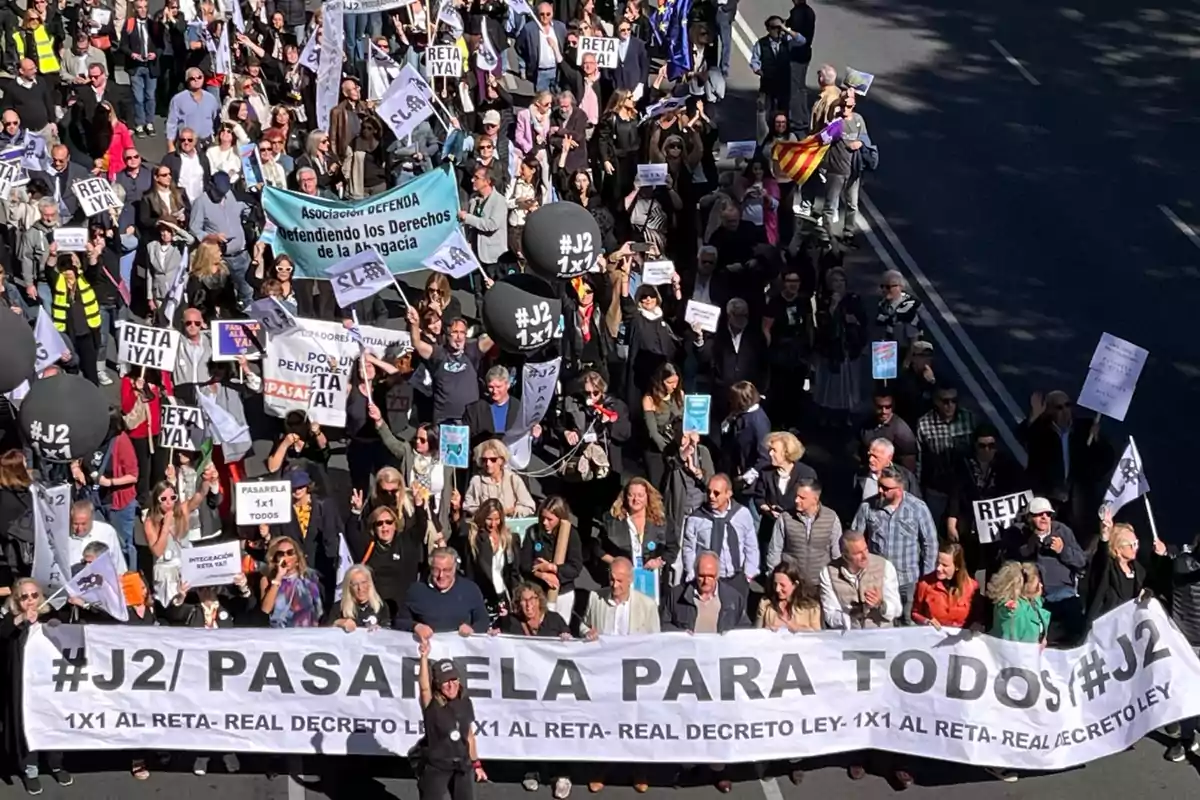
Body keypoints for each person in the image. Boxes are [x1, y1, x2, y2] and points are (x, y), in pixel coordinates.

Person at [1, 578, 72, 795]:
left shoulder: (50, 616)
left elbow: (70, 634)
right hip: (22, 687)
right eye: (24, 597)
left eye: (34, 595)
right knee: (25, 726)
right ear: (16, 600)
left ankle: (56, 764)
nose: (30, 600)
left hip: (49, 684)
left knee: (51, 722)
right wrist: (20, 619)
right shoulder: (11, 620)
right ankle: (30, 770)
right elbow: (2, 633)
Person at [982, 561, 1049, 783]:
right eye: (1036, 581)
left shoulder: (1030, 603)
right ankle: (997, 762)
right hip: (1012, 673)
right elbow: (1007, 638)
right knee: (1007, 717)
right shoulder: (1010, 611)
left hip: (1029, 669)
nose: (1040, 584)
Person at [851, 465, 937, 623]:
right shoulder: (867, 507)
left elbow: (930, 544)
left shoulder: (917, 508)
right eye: (879, 486)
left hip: (908, 579)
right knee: (880, 622)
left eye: (886, 488)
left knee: (908, 622)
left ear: (899, 489)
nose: (881, 491)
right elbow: (855, 537)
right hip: (878, 577)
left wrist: (927, 578)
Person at [999, 497, 1086, 645]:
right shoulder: (1020, 533)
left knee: (1073, 627)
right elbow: (1014, 559)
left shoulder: (1062, 531)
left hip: (1062, 591)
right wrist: (1032, 543)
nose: (1045, 517)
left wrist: (1062, 550)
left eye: (1048, 514)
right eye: (1039, 514)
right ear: (1029, 517)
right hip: (1032, 597)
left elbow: (1081, 561)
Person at [416, 639, 487, 800]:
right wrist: (423, 657)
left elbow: (469, 736)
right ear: (438, 684)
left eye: (454, 679)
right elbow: (424, 687)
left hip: (462, 765)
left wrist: (476, 765)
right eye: (445, 681)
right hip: (437, 766)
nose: (451, 685)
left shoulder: (465, 702)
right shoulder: (432, 705)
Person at [345, 489, 429, 614]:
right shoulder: (369, 546)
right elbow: (352, 534)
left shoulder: (406, 542)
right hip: (376, 608)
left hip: (403, 608)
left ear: (395, 525)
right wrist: (356, 511)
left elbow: (421, 527)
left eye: (389, 522)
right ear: (374, 528)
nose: (385, 526)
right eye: (379, 523)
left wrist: (418, 505)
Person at [680, 474, 758, 602]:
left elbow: (751, 545)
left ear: (728, 494)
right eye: (709, 492)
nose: (711, 496)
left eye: (716, 493)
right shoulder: (696, 518)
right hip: (709, 580)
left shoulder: (742, 514)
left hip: (736, 577)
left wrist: (749, 574)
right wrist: (692, 574)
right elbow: (689, 549)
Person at [1086, 518, 1167, 625]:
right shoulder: (1107, 568)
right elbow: (1101, 561)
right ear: (1118, 549)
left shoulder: (1137, 569)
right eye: (1131, 545)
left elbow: (1153, 583)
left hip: (1131, 628)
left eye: (1136, 543)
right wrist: (1104, 537)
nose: (1136, 548)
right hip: (1106, 629)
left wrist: (1159, 557)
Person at [764, 477, 842, 587]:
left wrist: (836, 581)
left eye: (802, 498)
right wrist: (774, 578)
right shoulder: (786, 518)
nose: (796, 500)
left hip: (820, 583)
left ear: (815, 499)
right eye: (796, 496)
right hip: (792, 583)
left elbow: (837, 553)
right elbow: (775, 551)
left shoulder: (831, 518)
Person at [396, 547, 489, 637]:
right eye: (436, 570)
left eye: (447, 570)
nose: (441, 575)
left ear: (455, 568)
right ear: (430, 568)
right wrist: (416, 626)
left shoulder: (470, 589)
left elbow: (483, 620)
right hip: (427, 649)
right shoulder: (416, 590)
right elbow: (399, 621)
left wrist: (472, 629)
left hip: (460, 649)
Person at [518, 497, 583, 623]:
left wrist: (553, 568)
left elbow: (575, 567)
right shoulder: (533, 532)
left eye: (550, 519)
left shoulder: (571, 534)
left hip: (563, 593)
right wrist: (542, 575)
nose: (545, 523)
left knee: (559, 629)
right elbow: (524, 564)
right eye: (543, 518)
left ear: (560, 518)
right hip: (538, 593)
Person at [910, 542, 983, 630]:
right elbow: (915, 613)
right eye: (938, 563)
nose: (938, 568)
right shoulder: (925, 583)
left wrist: (976, 624)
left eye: (945, 565)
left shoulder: (972, 587)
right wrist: (926, 621)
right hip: (934, 637)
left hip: (960, 638)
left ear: (957, 566)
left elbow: (979, 615)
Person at [259, 535, 324, 628]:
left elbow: (318, 611)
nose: (286, 556)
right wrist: (278, 577)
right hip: (279, 634)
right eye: (281, 554)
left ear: (297, 557)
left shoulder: (309, 579)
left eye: (290, 552)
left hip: (306, 633)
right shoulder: (267, 580)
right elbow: (266, 609)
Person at [462, 440, 536, 518]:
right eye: (484, 460)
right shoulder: (476, 481)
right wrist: (485, 513)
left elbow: (530, 507)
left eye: (493, 460)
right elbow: (468, 506)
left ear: (501, 460)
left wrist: (512, 511)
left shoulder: (513, 479)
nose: (488, 463)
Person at [756, 560, 820, 631]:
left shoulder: (811, 608)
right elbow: (757, 633)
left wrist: (798, 629)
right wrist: (767, 630)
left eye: (782, 585)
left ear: (795, 585)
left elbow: (817, 635)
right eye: (775, 584)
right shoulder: (766, 603)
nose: (777, 589)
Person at [329, 565, 392, 631]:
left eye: (364, 582)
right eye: (355, 584)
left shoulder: (381, 606)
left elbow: (387, 632)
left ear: (369, 584)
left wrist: (380, 630)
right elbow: (326, 633)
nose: (360, 588)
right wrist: (339, 622)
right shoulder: (339, 607)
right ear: (349, 587)